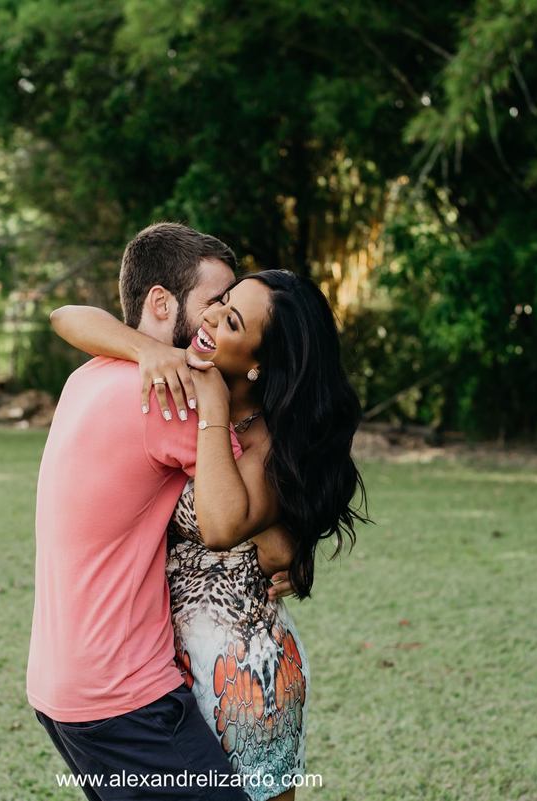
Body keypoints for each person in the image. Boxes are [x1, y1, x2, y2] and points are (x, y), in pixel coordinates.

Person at [50, 268, 368, 801]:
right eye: (220, 302)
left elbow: (220, 527)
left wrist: (215, 405)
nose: (212, 318)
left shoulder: (271, 445)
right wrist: (147, 351)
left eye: (233, 321)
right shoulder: (185, 386)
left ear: (260, 363)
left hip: (244, 671)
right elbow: (67, 317)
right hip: (163, 671)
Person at [27, 222, 251, 800]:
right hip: (125, 695)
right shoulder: (172, 398)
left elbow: (67, 316)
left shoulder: (85, 376)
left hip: (60, 686)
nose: (216, 319)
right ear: (160, 302)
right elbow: (237, 511)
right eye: (213, 301)